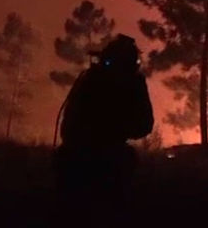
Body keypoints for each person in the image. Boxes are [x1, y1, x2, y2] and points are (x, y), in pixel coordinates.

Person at [54, 34, 154, 194]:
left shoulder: (90, 79)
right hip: (100, 158)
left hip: (80, 157)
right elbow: (144, 125)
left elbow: (68, 126)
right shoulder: (132, 84)